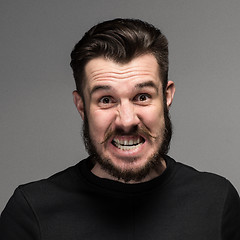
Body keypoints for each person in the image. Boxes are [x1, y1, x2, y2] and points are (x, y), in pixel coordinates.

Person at [0, 18, 239, 240]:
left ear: (166, 97)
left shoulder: (216, 201)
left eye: (142, 96)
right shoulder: (31, 212)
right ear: (81, 106)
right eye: (106, 100)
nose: (126, 121)